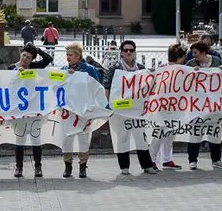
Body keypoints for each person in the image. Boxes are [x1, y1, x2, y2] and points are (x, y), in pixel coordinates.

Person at [103, 40, 157, 176]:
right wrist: (108, 106)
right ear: (121, 52)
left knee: (141, 138)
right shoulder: (115, 68)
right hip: (120, 109)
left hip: (137, 109)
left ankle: (147, 165)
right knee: (123, 137)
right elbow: (107, 87)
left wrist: (151, 74)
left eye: (131, 50)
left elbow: (148, 86)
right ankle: (124, 167)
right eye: (126, 50)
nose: (128, 52)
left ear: (134, 52)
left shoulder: (140, 67)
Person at [10, 42, 53, 178]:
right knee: (20, 139)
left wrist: (37, 50)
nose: (24, 59)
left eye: (28, 57)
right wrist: (17, 73)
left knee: (35, 138)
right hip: (19, 110)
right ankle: (19, 167)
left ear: (32, 59)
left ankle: (38, 166)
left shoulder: (35, 67)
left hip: (34, 110)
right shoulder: (12, 68)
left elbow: (48, 59)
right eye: (23, 56)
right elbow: (7, 85)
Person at [60, 42, 101, 178]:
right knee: (67, 138)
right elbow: (55, 86)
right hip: (68, 111)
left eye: (70, 55)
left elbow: (96, 86)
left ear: (78, 56)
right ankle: (68, 165)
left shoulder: (89, 69)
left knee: (83, 138)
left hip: (84, 110)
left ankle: (83, 166)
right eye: (66, 54)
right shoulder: (63, 69)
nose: (68, 57)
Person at [185, 41, 222, 170]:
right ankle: (192, 160)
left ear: (204, 53)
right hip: (197, 105)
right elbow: (184, 82)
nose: (193, 55)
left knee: (214, 133)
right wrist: (191, 73)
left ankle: (216, 160)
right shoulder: (191, 64)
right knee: (195, 133)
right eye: (192, 53)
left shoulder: (216, 61)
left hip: (213, 105)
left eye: (196, 53)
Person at [149, 44, 186, 171]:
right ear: (180, 57)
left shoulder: (180, 69)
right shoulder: (163, 69)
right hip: (162, 107)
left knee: (170, 134)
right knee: (159, 134)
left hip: (174, 107)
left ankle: (167, 159)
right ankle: (152, 160)